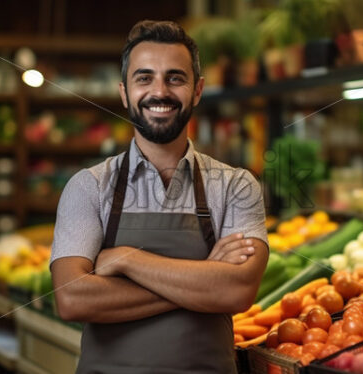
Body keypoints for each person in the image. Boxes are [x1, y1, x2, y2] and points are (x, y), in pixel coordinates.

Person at [49, 20, 269, 374]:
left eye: (175, 78)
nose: (160, 91)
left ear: (197, 90)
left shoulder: (236, 186)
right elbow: (72, 299)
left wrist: (127, 259)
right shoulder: (88, 186)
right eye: (144, 78)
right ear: (124, 93)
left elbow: (237, 293)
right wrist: (206, 279)